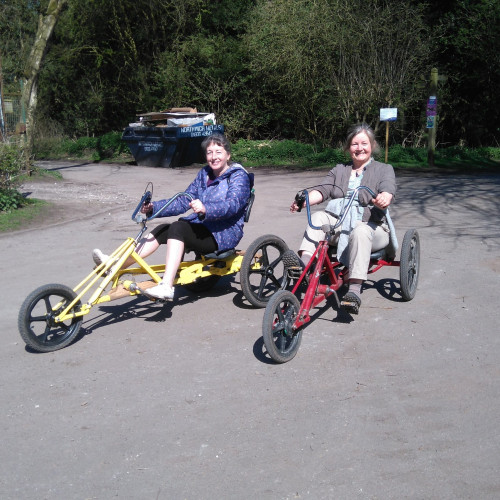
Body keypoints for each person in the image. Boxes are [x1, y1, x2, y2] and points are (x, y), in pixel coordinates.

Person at [92, 133, 252, 301]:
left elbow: (233, 204)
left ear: (228, 155)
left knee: (178, 228)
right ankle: (115, 265)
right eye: (209, 152)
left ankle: (167, 286)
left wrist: (206, 208)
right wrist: (155, 207)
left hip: (224, 233)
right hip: (204, 227)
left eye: (218, 152)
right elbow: (184, 199)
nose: (214, 157)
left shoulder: (238, 176)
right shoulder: (204, 174)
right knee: (164, 230)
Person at [288, 123, 396, 314]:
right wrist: (304, 201)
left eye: (364, 143)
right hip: (340, 225)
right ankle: (303, 266)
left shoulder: (384, 169)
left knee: (360, 231)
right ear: (348, 148)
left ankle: (354, 289)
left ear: (372, 145)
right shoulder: (339, 170)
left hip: (373, 228)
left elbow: (388, 188)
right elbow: (323, 190)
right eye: (355, 144)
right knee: (319, 216)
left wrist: (384, 197)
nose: (359, 148)